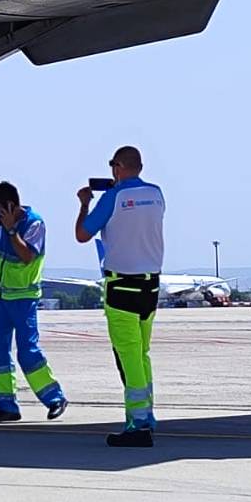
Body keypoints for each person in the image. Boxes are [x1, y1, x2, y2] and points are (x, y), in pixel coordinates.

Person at [76, 145, 167, 448]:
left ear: (117, 166)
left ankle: (138, 424)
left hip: (122, 286)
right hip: (151, 286)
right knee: (142, 353)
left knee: (127, 357)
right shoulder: (156, 194)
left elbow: (83, 234)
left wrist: (85, 204)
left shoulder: (112, 198)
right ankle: (147, 415)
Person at [0, 181, 67, 423]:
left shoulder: (34, 224)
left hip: (23, 298)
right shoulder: (0, 225)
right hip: (1, 298)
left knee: (28, 352)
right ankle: (6, 405)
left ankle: (54, 397)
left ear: (12, 205)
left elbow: (26, 256)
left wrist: (12, 230)